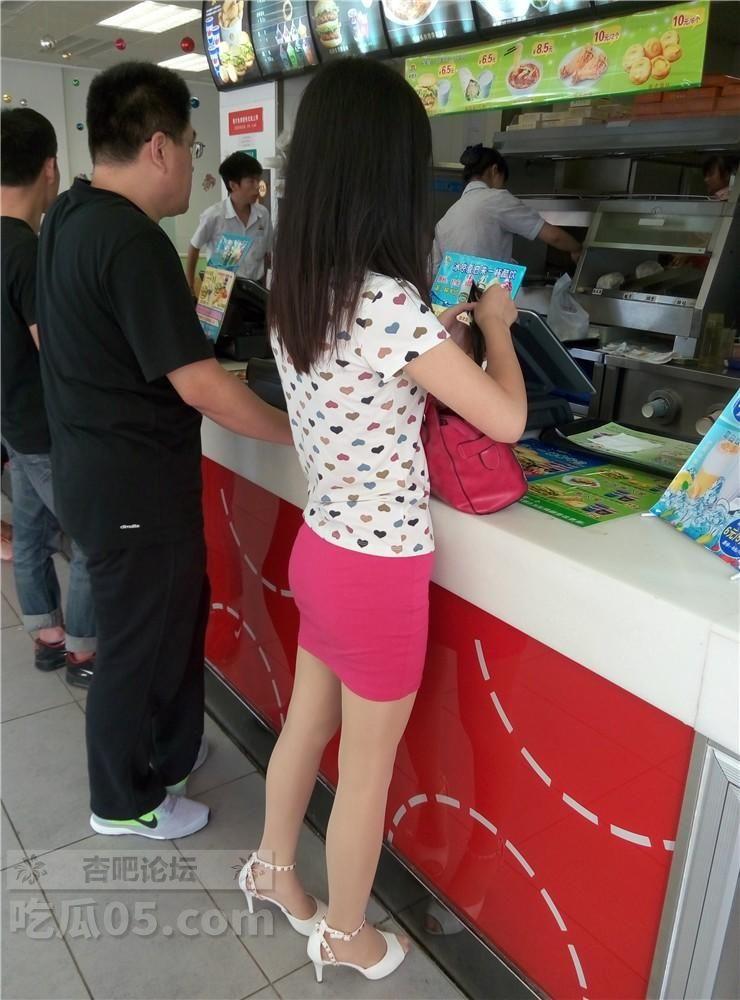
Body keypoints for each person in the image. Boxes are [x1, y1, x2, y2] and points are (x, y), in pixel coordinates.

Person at [239, 58, 527, 984]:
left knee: (305, 727)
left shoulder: (300, 282)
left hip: (323, 546)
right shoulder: (389, 303)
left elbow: (375, 376)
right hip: (379, 571)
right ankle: (345, 933)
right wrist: (499, 327)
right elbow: (506, 419)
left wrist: (443, 331)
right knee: (365, 771)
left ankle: (273, 869)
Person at [37, 62, 292, 841]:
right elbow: (203, 386)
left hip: (105, 476)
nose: (192, 160)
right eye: (190, 143)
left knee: (169, 627)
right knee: (139, 648)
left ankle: (170, 752)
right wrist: (301, 432)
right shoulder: (132, 241)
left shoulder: (70, 215)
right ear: (158, 147)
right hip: (133, 491)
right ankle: (122, 802)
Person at [1, 107, 96, 688]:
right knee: (90, 539)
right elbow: (58, 355)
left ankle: (46, 634)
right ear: (51, 169)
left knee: (33, 529)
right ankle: (83, 651)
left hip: (12, 420)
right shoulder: (27, 253)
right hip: (46, 428)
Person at [434, 144, 581, 268]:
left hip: (453, 293)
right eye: (503, 181)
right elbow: (554, 237)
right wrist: (576, 248)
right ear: (494, 170)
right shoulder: (496, 198)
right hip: (486, 292)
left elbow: (434, 269)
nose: (502, 187)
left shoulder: (446, 218)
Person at [186, 151, 272, 295]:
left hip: (254, 289)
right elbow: (194, 247)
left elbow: (268, 254)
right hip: (219, 289)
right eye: (251, 181)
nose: (258, 186)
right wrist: (189, 287)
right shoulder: (214, 215)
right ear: (233, 185)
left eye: (258, 180)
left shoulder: (263, 214)